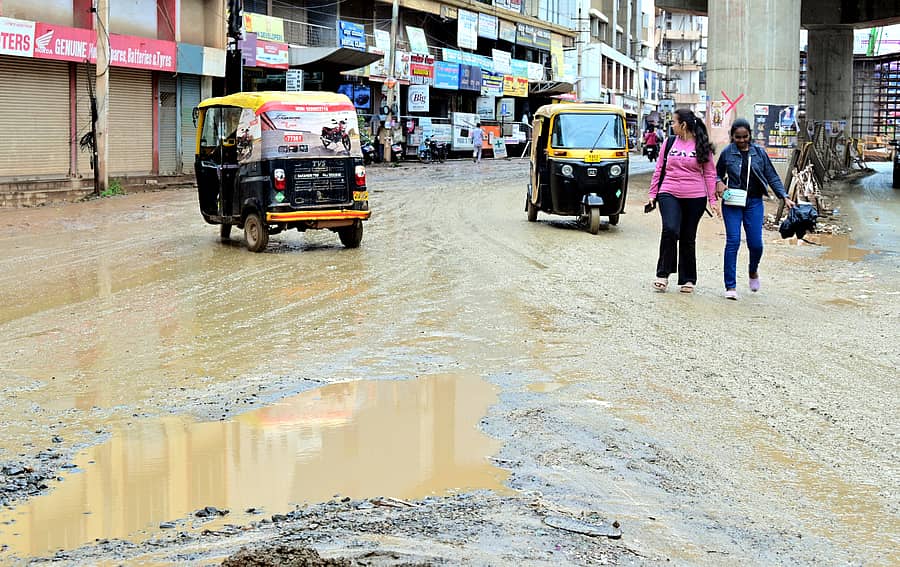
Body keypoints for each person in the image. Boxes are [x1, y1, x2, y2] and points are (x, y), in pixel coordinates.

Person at [715, 118, 796, 300]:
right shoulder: (728, 153)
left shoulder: (759, 153)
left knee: (756, 244)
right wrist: (719, 183)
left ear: (750, 135)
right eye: (738, 137)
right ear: (732, 137)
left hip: (754, 202)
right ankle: (730, 286)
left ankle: (753, 271)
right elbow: (716, 174)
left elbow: (772, 176)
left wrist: (785, 196)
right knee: (733, 241)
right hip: (732, 202)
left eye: (745, 137)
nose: (742, 140)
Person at [646, 108, 720, 294]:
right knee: (670, 230)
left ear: (683, 125)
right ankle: (663, 274)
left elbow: (710, 173)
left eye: (674, 122)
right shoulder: (669, 143)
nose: (672, 125)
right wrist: (652, 194)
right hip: (669, 192)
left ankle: (688, 279)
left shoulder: (702, 145)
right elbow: (659, 169)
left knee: (688, 237)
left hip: (695, 196)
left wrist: (712, 200)